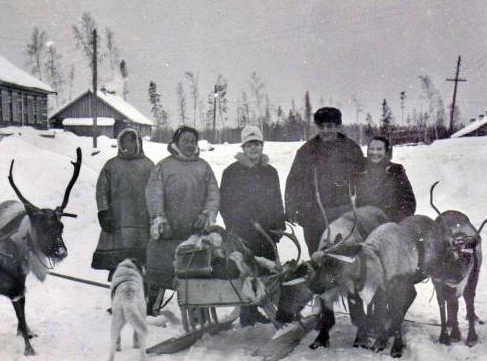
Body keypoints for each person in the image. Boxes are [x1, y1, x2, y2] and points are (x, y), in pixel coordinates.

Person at [145, 126, 220, 314]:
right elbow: (154, 194)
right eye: (185, 141)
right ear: (176, 143)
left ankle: (198, 313)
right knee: (159, 268)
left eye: (193, 141)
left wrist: (206, 214)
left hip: (195, 231)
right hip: (168, 231)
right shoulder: (163, 166)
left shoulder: (203, 167)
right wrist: (160, 219)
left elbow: (213, 195)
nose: (189, 144)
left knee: (195, 271)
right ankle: (151, 309)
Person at [220, 125, 285, 326]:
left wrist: (279, 224)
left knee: (267, 271)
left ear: (262, 146)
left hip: (267, 232)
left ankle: (264, 307)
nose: (253, 148)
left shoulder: (270, 171)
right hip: (243, 232)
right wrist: (235, 225)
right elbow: (225, 204)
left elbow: (277, 198)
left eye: (257, 144)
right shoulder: (231, 172)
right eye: (249, 145)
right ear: (243, 147)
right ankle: (247, 312)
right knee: (246, 271)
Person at [284, 107, 365, 255]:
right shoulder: (306, 151)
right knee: (318, 258)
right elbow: (293, 181)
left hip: (344, 213)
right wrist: (291, 208)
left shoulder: (351, 149)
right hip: (313, 215)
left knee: (345, 257)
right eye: (321, 127)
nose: (325, 131)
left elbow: (364, 178)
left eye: (330, 126)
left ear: (338, 126)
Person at [92, 127, 154, 281]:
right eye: (123, 141)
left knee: (142, 265)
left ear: (138, 143)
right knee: (118, 266)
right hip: (117, 221)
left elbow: (156, 193)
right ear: (119, 143)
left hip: (142, 222)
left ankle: (143, 296)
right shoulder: (111, 165)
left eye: (131, 141)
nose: (127, 145)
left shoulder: (149, 166)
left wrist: (155, 216)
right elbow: (101, 191)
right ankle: (118, 291)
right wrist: (104, 211)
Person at [355, 136, 416, 222]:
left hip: (389, 223)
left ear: (386, 152)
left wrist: (394, 221)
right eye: (371, 149)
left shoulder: (396, 171)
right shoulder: (359, 171)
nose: (374, 152)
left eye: (379, 149)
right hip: (363, 223)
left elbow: (408, 203)